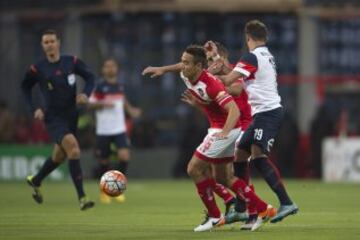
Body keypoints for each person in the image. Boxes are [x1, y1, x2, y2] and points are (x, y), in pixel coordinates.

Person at [143, 45, 275, 232]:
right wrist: (163, 69)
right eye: (183, 61)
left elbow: (234, 110)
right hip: (220, 129)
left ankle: (214, 216)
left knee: (193, 168)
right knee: (223, 177)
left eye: (187, 63)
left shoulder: (211, 85)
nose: (183, 65)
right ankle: (263, 208)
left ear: (198, 66)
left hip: (225, 130)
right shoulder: (186, 74)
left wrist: (224, 133)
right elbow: (179, 68)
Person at [210, 19, 299, 223]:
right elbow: (236, 72)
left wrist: (207, 75)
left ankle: (286, 202)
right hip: (263, 113)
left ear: (247, 37)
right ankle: (242, 207)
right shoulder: (265, 55)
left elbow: (228, 80)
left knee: (258, 158)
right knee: (240, 155)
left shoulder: (251, 56)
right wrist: (217, 59)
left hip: (267, 113)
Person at [21, 29, 95, 210]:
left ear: (58, 42)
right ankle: (82, 198)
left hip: (72, 115)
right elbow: (25, 88)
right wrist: (34, 108)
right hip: (53, 117)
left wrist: (86, 94)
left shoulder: (72, 61)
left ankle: (36, 180)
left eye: (52, 41)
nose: (49, 45)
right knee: (74, 149)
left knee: (59, 156)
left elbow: (90, 77)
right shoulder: (37, 69)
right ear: (42, 46)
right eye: (46, 42)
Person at [88, 58, 141, 204]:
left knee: (124, 156)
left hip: (119, 128)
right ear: (103, 69)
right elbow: (90, 105)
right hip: (104, 130)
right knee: (103, 161)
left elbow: (123, 101)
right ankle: (105, 190)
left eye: (112, 66)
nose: (110, 69)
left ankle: (117, 189)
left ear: (116, 69)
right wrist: (103, 103)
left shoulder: (120, 86)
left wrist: (131, 111)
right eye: (107, 66)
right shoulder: (99, 86)